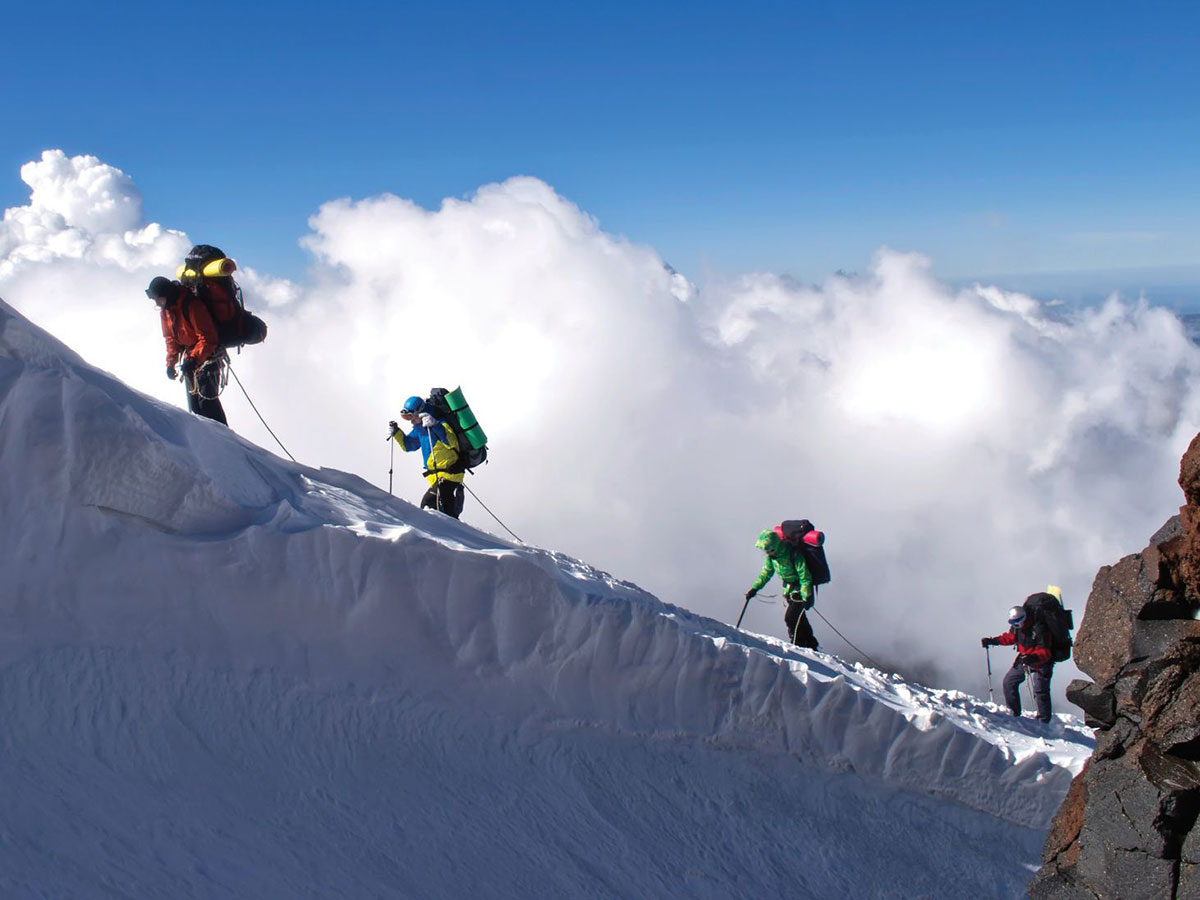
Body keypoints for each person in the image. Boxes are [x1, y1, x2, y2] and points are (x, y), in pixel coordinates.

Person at [146, 276, 227, 426]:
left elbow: (208, 339)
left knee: (208, 406)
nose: (158, 303)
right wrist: (170, 364)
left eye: (159, 299)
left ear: (167, 294)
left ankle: (228, 444)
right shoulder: (166, 311)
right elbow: (171, 339)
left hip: (208, 360)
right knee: (196, 409)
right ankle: (209, 444)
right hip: (191, 363)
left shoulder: (192, 305)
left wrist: (193, 359)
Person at [389, 396, 465, 518]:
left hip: (450, 474)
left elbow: (452, 443)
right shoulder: (420, 429)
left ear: (420, 412)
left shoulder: (440, 423)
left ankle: (454, 510)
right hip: (435, 477)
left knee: (428, 505)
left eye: (410, 416)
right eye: (406, 417)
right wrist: (396, 432)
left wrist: (435, 426)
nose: (411, 420)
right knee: (445, 512)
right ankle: (455, 513)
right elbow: (408, 446)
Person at [744, 528, 817, 649]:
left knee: (791, 618)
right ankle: (812, 645)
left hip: (800, 590)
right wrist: (754, 588)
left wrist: (806, 596)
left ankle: (799, 646)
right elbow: (766, 573)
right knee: (799, 618)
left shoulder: (793, 554)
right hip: (789, 591)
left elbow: (805, 576)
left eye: (769, 550)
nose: (767, 553)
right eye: (765, 550)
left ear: (776, 546)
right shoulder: (773, 558)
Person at [982, 603, 1054, 722]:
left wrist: (1033, 657)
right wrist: (992, 641)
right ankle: (1014, 714)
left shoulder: (1039, 628)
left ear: (1025, 617)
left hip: (1042, 662)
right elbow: (1010, 638)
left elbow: (1046, 651)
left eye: (1019, 621)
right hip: (1025, 659)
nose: (1017, 625)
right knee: (1009, 682)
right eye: (1013, 623)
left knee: (1040, 690)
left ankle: (1044, 721)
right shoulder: (1017, 628)